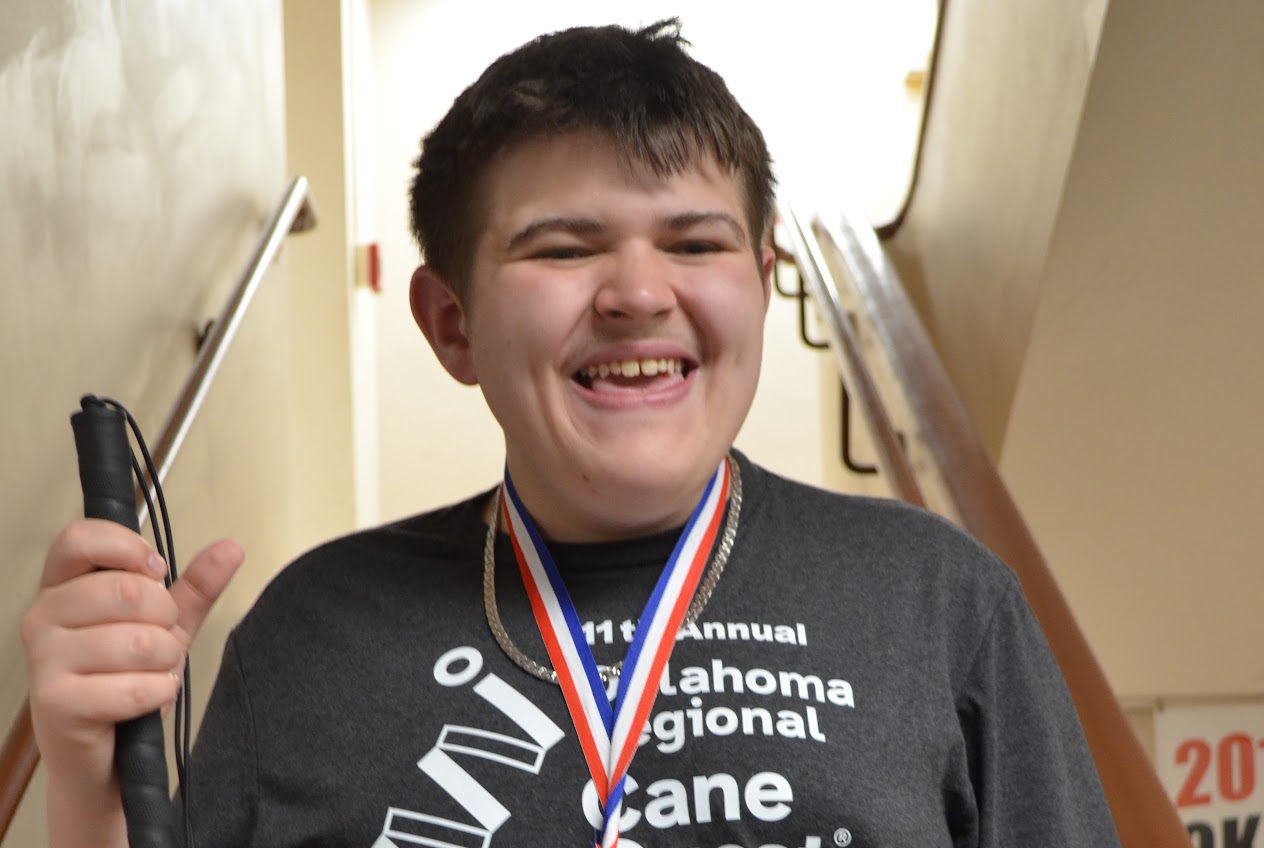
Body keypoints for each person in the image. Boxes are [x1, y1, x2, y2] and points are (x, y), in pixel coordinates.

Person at [22, 19, 1120, 848]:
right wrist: (88, 797)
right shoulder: (309, 635)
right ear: (452, 324)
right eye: (562, 249)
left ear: (762, 282)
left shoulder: (937, 601)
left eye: (695, 243)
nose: (638, 292)